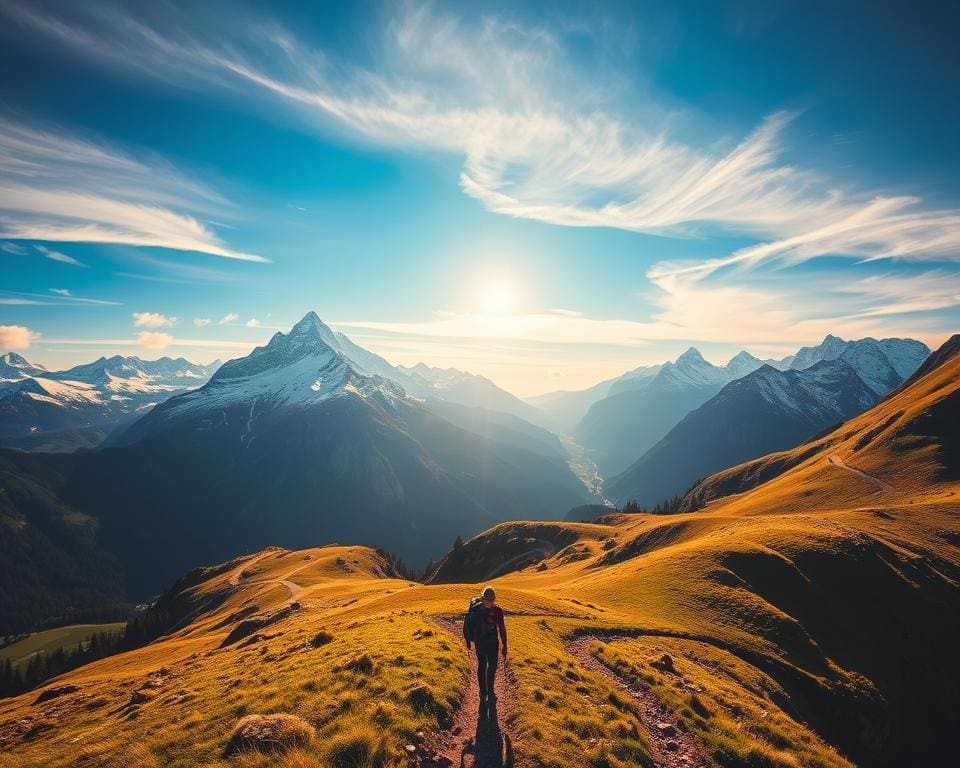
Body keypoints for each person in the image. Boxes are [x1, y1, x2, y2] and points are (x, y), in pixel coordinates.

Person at [464, 585, 507, 703]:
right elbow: (502, 629)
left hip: (481, 643)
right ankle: (487, 692)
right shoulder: (497, 611)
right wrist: (504, 645)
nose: (489, 603)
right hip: (489, 642)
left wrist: (504, 645)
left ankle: (485, 692)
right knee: (489, 667)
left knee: (484, 666)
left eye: (490, 601)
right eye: (489, 600)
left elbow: (502, 629)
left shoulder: (477, 610)